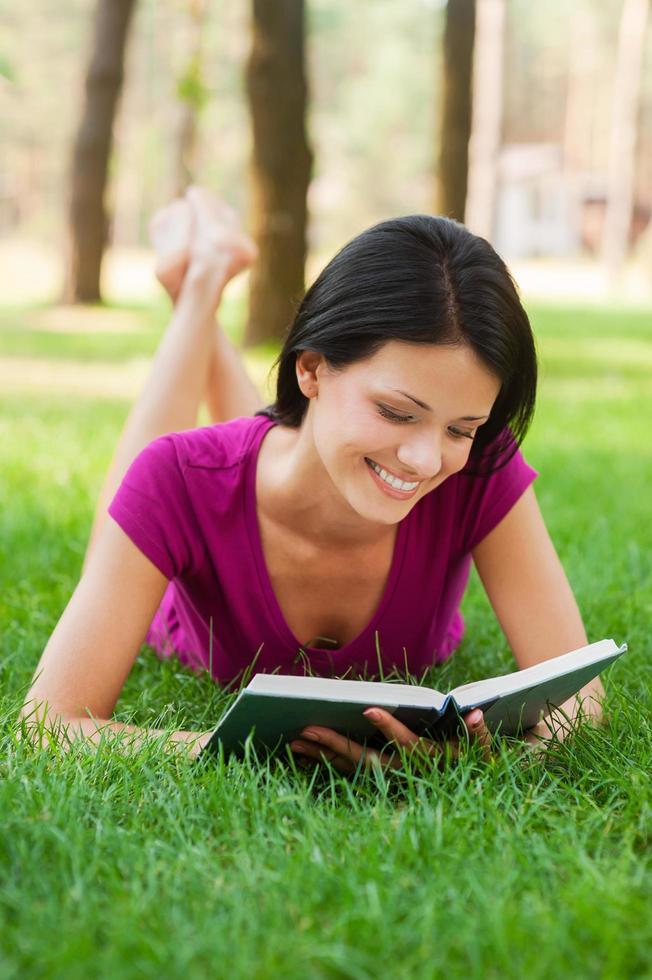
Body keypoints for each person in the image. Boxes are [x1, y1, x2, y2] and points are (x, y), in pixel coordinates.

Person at [19, 187, 604, 773]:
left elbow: (581, 703)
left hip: (289, 452)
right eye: (397, 412)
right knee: (172, 479)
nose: (426, 460)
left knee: (280, 444)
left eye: (461, 426)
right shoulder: (178, 477)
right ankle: (198, 289)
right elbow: (47, 727)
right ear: (311, 369)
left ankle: (201, 281)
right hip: (201, 508)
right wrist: (270, 751)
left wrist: (468, 760)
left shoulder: (478, 468)